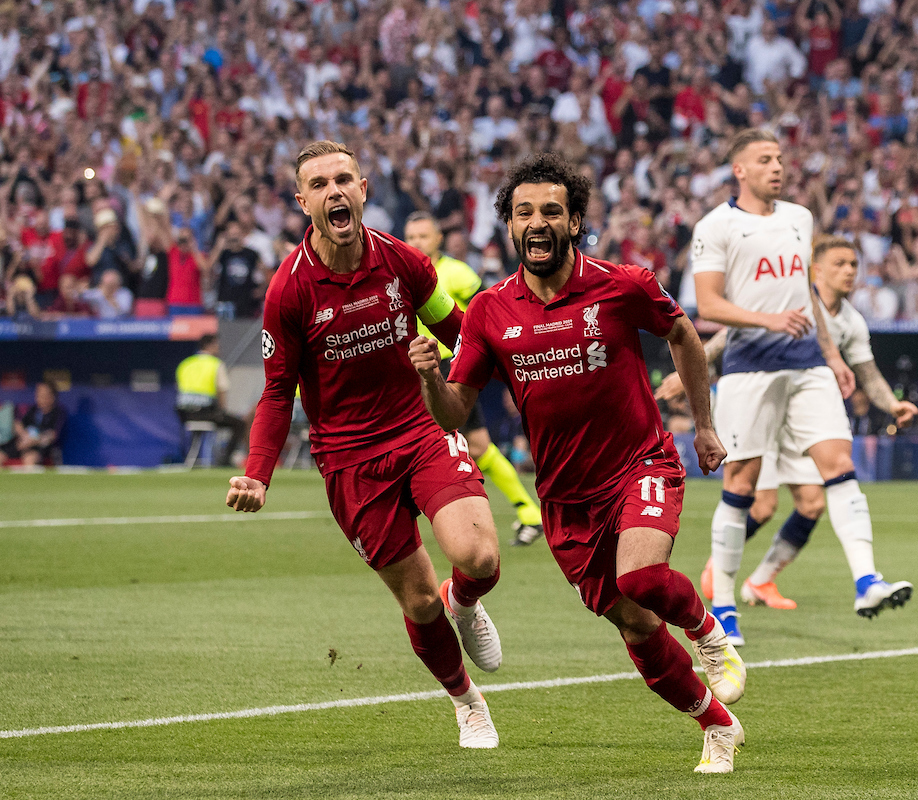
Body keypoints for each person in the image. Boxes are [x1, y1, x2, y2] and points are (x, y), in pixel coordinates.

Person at [410, 153, 747, 774]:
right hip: (566, 500)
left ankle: (709, 635)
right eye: (524, 213)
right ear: (509, 226)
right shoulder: (488, 311)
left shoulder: (623, 284)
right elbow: (455, 415)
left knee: (641, 579)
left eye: (551, 212)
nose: (538, 223)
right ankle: (716, 725)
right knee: (639, 627)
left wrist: (703, 425)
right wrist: (432, 378)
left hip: (639, 464)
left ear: (575, 222)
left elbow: (683, 335)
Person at [224, 141, 504, 749]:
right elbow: (276, 394)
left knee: (479, 559)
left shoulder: (400, 260)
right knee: (418, 599)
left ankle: (468, 601)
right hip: (350, 459)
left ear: (364, 188)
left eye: (343, 179)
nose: (334, 191)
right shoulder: (289, 291)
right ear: (304, 202)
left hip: (421, 429)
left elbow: (458, 327)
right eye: (320, 185)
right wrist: (257, 474)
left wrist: (523, 362)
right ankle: (465, 701)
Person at [691, 129, 911, 642]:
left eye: (780, 159)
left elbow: (805, 296)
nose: (777, 167)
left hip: (807, 365)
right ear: (739, 170)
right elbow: (709, 305)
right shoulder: (716, 226)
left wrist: (832, 355)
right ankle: (723, 609)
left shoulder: (799, 218)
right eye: (765, 160)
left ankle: (866, 580)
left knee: (839, 465)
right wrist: (768, 322)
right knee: (741, 485)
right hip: (749, 370)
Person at [659, 238, 918, 610]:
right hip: (761, 404)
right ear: (817, 270)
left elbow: (867, 372)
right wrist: (687, 374)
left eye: (854, 265)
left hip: (805, 413)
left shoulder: (851, 321)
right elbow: (730, 335)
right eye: (840, 263)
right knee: (761, 505)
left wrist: (893, 404)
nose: (849, 271)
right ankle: (721, 568)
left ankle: (761, 581)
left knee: (812, 504)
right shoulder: (788, 299)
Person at [403, 211, 546, 546]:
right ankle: (529, 513)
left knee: (450, 446)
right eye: (410, 237)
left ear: (439, 239)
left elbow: (486, 309)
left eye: (423, 237)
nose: (416, 243)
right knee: (479, 446)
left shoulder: (456, 273)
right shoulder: (403, 272)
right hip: (416, 370)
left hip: (450, 370)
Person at [175, 333, 247, 467]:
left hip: (185, 414)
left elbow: (180, 389)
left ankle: (190, 457)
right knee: (240, 424)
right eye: (217, 344)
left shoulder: (185, 364)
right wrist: (222, 411)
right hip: (206, 412)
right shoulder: (216, 365)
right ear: (210, 345)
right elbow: (222, 390)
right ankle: (225, 461)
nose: (219, 347)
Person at [1, 382, 65, 466]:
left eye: (43, 395)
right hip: (23, 443)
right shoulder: (33, 410)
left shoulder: (59, 412)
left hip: (41, 448)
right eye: (38, 394)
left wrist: (33, 441)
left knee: (29, 459)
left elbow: (52, 435)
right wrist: (24, 436)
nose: (39, 398)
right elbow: (18, 424)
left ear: (52, 397)